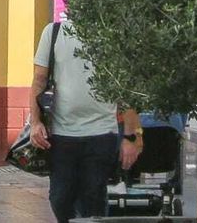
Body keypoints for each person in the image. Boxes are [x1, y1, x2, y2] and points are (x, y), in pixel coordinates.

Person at [28, 18, 144, 223]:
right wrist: (35, 122)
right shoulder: (54, 32)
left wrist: (131, 136)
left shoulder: (112, 31)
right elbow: (39, 80)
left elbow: (124, 88)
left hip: (102, 133)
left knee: (92, 199)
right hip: (62, 133)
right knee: (59, 198)